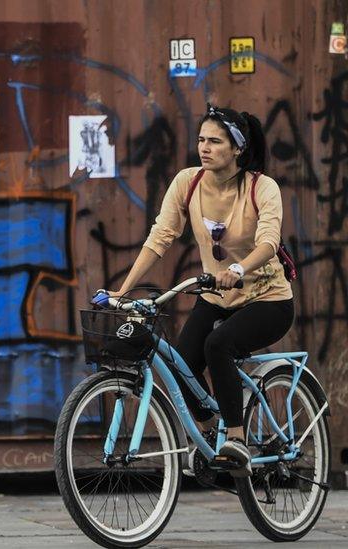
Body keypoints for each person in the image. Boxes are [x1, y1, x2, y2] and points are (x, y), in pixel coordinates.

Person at [108, 104, 294, 477]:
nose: (204, 148)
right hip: (215, 297)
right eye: (201, 140)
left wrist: (238, 268)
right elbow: (160, 237)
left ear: (237, 148)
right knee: (180, 364)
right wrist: (121, 291)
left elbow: (269, 242)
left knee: (218, 345)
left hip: (267, 300)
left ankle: (237, 441)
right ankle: (210, 439)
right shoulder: (188, 182)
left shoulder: (261, 187)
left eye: (215, 141)